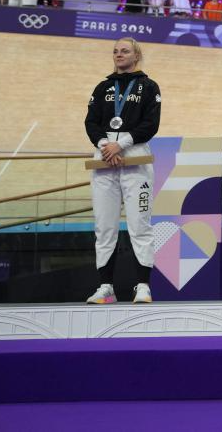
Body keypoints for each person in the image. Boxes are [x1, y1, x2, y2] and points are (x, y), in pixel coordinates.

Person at [84, 37, 162, 304]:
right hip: (104, 157)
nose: (119, 54)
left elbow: (151, 124)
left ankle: (143, 286)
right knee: (104, 226)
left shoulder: (149, 86)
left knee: (140, 225)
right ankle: (105, 287)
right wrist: (105, 144)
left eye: (124, 51)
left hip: (135, 155)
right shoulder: (102, 86)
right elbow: (91, 122)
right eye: (115, 51)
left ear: (136, 55)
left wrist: (122, 144)